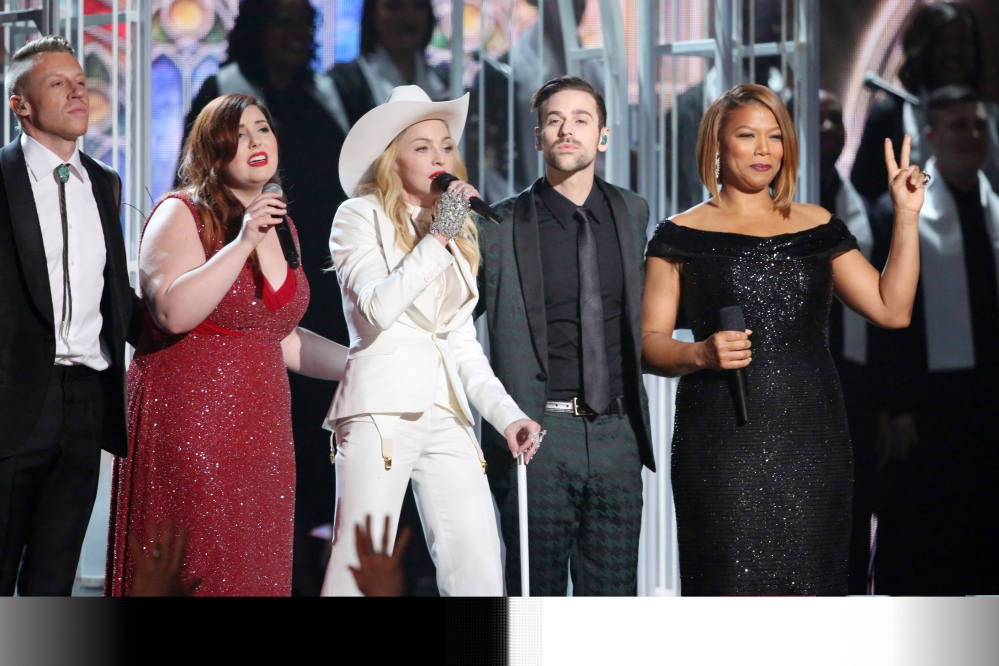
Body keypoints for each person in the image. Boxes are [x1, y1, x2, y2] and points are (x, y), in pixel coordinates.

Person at [642, 83, 924, 595]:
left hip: (812, 442)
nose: (764, 149)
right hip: (721, 445)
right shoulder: (679, 235)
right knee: (728, 595)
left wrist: (905, 217)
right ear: (717, 146)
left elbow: (893, 309)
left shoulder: (817, 226)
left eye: (775, 136)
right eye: (747, 135)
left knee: (813, 598)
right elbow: (648, 343)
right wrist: (699, 352)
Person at [107, 94, 347, 597]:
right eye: (238, 136)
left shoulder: (283, 225)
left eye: (262, 129)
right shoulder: (182, 212)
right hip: (194, 420)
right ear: (213, 152)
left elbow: (275, 335)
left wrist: (361, 365)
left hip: (262, 429)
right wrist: (241, 242)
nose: (255, 142)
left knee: (253, 572)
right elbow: (172, 312)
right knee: (203, 568)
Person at [320, 85, 541, 597]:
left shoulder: (459, 231)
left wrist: (507, 416)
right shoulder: (359, 216)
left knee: (479, 566)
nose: (440, 157)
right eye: (422, 147)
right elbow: (376, 309)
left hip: (449, 413)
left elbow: (460, 341)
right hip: (382, 412)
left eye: (445, 146)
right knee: (359, 563)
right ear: (391, 159)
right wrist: (436, 237)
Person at [182, 0, 353, 595]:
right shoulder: (222, 92)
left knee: (315, 443)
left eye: (303, 22)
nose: (294, 33)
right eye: (279, 19)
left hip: (314, 289)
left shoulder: (325, 95)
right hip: (235, 303)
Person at [478, 76, 654, 596]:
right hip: (538, 437)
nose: (567, 130)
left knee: (614, 599)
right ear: (538, 137)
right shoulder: (498, 225)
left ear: (602, 136)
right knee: (535, 598)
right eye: (554, 120)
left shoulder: (633, 212)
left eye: (581, 119)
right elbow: (454, 326)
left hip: (617, 433)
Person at [0, 35, 138, 596]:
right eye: (58, 83)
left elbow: (116, 295)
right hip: (12, 402)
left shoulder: (104, 182)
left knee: (53, 578)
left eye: (80, 81)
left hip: (84, 399)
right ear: (21, 104)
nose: (77, 91)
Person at [868, 85, 999, 595]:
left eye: (978, 124)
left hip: (989, 409)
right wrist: (895, 404)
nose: (970, 135)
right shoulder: (898, 214)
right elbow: (884, 317)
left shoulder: (994, 208)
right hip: (928, 413)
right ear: (929, 136)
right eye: (957, 125)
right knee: (925, 549)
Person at [818, 89, 881, 594]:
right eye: (814, 119)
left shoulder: (862, 201)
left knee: (854, 512)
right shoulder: (774, 209)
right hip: (798, 386)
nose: (826, 129)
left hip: (856, 384)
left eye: (835, 118)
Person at [851, 2, 999, 204]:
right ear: (921, 47)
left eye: (962, 41)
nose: (954, 51)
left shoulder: (993, 117)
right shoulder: (890, 116)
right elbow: (865, 195)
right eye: (943, 42)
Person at [329, 0, 449, 128]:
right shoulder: (345, 83)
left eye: (419, 5)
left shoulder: (445, 82)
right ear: (372, 14)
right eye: (394, 6)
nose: (408, 15)